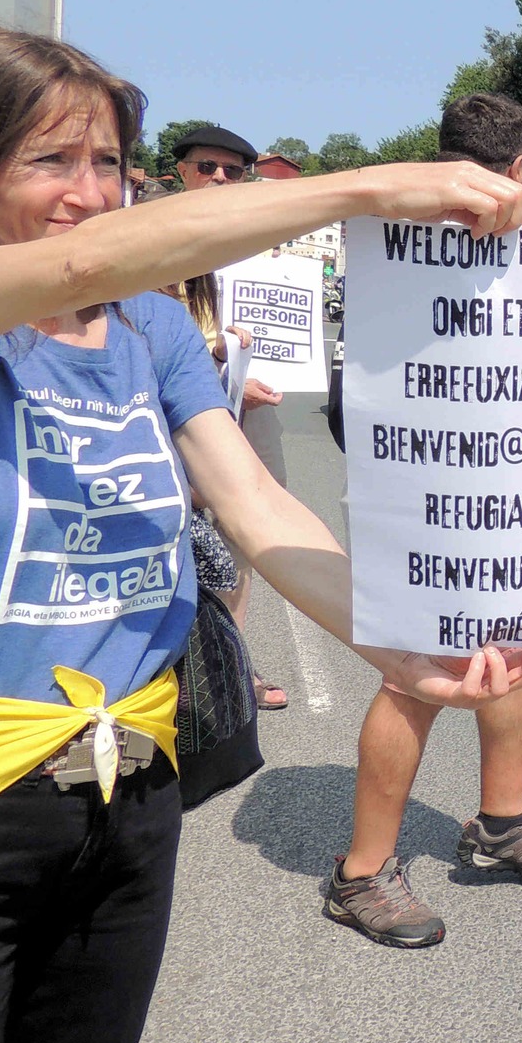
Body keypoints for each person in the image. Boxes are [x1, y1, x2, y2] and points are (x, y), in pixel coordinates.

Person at [0, 29, 522, 1043]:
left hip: (128, 801)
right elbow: (81, 264)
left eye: (109, 165)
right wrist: (371, 187)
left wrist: (398, 644)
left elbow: (258, 512)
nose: (92, 195)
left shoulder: (154, 329)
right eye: (49, 163)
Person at [323, 92, 522, 949]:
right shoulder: (407, 239)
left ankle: (500, 827)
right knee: (417, 664)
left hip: (504, 470)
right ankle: (361, 874)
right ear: (520, 168)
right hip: (425, 471)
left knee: (520, 639)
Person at [165, 123, 291, 710]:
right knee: (169, 533)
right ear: (181, 172)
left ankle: (231, 664)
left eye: (233, 172)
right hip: (176, 410)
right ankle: (168, 670)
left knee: (250, 527)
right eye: (207, 167)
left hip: (244, 398)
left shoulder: (251, 244)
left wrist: (235, 362)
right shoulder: (156, 239)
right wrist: (216, 354)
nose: (219, 179)